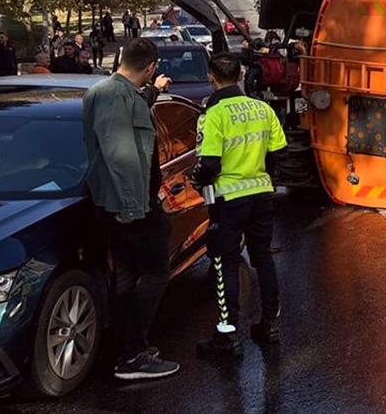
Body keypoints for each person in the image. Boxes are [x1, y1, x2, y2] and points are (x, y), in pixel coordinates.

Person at [82, 38, 178, 380]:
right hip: (131, 205)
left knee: (127, 276)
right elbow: (120, 155)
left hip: (125, 203)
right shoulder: (113, 96)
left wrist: (153, 91)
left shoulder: (117, 93)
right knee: (154, 274)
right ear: (150, 67)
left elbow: (131, 120)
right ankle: (133, 355)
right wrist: (134, 207)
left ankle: (126, 347)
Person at [190, 52, 287, 357]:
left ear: (211, 77)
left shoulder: (213, 114)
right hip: (261, 194)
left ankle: (227, 336)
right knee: (263, 258)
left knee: (225, 263)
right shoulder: (262, 109)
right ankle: (270, 325)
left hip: (228, 199)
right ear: (242, 76)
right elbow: (278, 152)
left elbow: (208, 164)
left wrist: (198, 179)